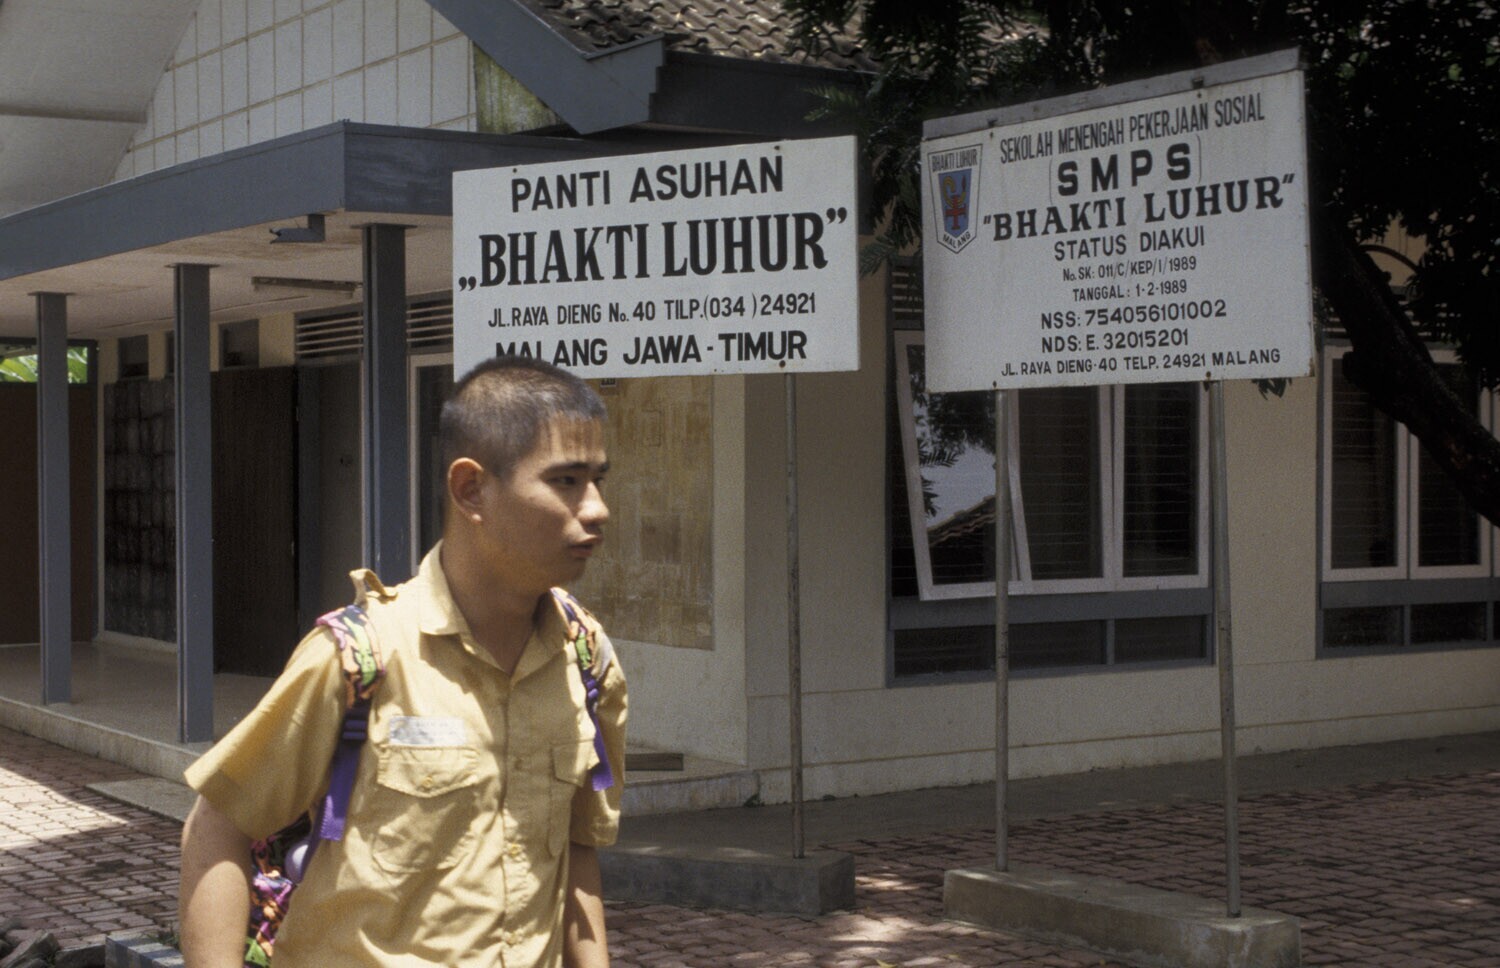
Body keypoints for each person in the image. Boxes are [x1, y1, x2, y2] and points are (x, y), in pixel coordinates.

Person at [178, 355, 625, 968]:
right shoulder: (358, 657)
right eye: (567, 481)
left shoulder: (586, 661)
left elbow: (576, 854)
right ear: (471, 490)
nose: (597, 508)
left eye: (599, 480)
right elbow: (218, 826)